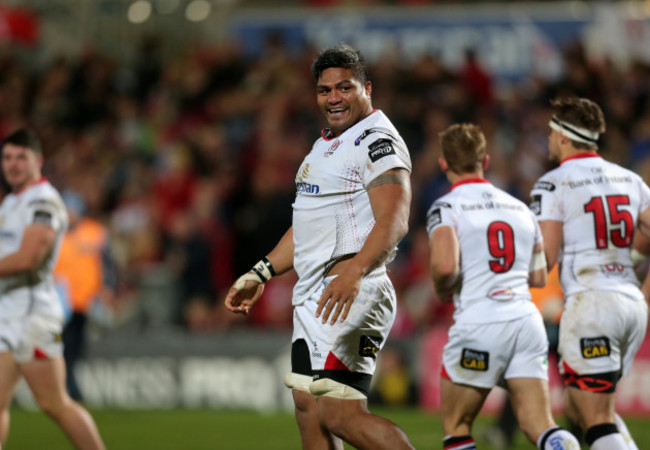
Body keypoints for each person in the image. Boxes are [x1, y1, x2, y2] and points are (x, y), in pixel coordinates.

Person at [225, 43, 414, 449]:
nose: (333, 98)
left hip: (348, 292)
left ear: (367, 88)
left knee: (339, 412)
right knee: (308, 408)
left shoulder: (376, 141)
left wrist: (356, 271)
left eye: (344, 88)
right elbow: (307, 228)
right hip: (313, 296)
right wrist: (260, 271)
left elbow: (395, 219)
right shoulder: (325, 145)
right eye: (325, 90)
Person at [427, 123, 580, 450]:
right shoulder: (520, 209)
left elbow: (444, 266)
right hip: (526, 322)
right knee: (541, 425)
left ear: (444, 164)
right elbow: (539, 278)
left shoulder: (447, 207)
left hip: (480, 321)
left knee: (457, 427)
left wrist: (443, 290)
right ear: (486, 160)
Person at [530, 96, 650, 450]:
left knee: (595, 417)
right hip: (630, 304)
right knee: (582, 407)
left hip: (592, 304)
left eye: (552, 132)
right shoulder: (632, 180)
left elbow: (547, 258)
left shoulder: (553, 183)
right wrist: (642, 284)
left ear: (564, 136)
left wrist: (505, 284)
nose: (549, 139)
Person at [0, 129, 105, 450]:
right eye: (7, 157)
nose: (13, 165)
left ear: (38, 161)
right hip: (8, 315)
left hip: (31, 318)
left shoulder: (44, 202)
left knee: (54, 403)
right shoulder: (13, 201)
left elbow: (30, 258)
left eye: (21, 157)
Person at [54, 190, 117, 401]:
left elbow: (108, 264)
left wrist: (108, 288)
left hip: (85, 302)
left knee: (74, 347)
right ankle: (70, 389)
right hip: (59, 304)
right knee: (62, 347)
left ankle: (68, 388)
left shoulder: (94, 232)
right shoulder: (54, 233)